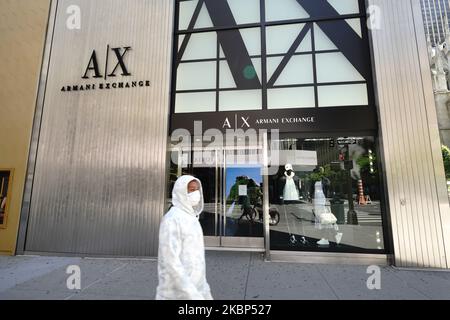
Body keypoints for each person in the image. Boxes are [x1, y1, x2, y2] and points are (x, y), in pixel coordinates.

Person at [156, 175, 213, 300]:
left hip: (196, 289)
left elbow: (197, 260)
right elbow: (170, 263)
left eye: (197, 189)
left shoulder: (192, 218)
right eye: (191, 190)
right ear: (181, 192)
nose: (196, 193)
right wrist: (192, 294)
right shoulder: (172, 219)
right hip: (175, 294)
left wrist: (205, 291)